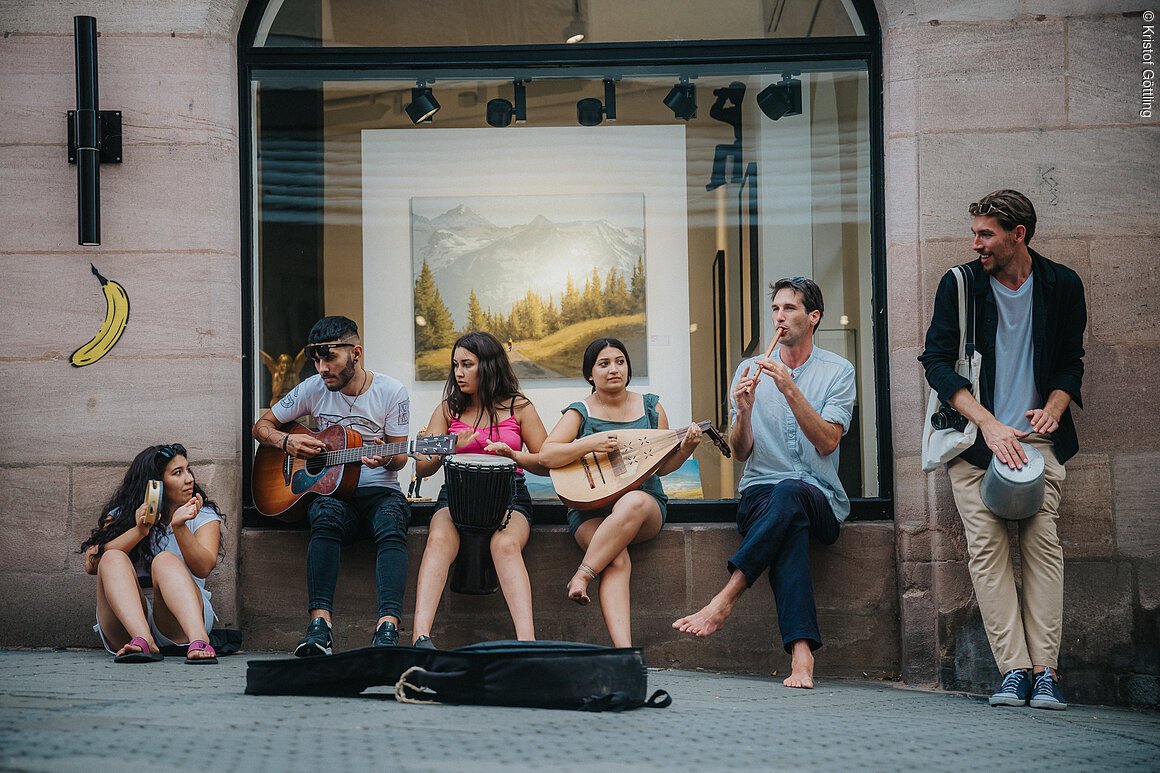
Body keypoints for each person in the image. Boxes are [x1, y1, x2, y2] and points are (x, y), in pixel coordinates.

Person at [919, 190, 1085, 711]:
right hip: (974, 442)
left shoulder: (1061, 285)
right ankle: (1013, 670)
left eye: (985, 234)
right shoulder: (960, 284)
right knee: (987, 553)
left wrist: (1055, 408)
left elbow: (1070, 364)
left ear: (1019, 235)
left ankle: (1047, 673)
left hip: (1038, 442)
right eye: (975, 233)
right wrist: (989, 425)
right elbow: (937, 363)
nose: (976, 244)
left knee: (1042, 548)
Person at [672, 278, 855, 689]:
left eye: (789, 309)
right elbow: (739, 452)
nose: (779, 317)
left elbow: (828, 442)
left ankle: (726, 599)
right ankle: (802, 656)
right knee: (788, 518)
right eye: (775, 309)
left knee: (792, 493)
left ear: (814, 317)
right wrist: (744, 411)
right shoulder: (748, 369)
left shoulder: (838, 372)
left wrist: (790, 390)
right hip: (761, 494)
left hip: (820, 496)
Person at [252, 315, 412, 656]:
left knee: (392, 521)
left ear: (355, 353)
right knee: (323, 513)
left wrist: (385, 457)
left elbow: (400, 457)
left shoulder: (392, 391)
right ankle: (319, 627)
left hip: (379, 493)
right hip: (332, 493)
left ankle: (387, 628)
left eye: (330, 358)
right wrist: (286, 443)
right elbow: (261, 426)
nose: (322, 368)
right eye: (316, 359)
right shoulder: (313, 388)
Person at [540, 338, 701, 647]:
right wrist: (591, 443)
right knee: (616, 559)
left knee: (633, 500)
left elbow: (662, 468)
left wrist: (685, 450)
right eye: (604, 364)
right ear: (590, 374)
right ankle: (624, 653)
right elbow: (548, 455)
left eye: (620, 362)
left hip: (644, 509)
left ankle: (583, 575)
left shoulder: (651, 407)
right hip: (590, 511)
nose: (613, 369)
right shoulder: (580, 411)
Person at [410, 331, 549, 647]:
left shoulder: (519, 407)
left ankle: (527, 644)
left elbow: (544, 463)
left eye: (467, 364)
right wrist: (448, 448)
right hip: (456, 494)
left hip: (509, 494)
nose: (458, 373)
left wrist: (514, 455)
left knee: (505, 545)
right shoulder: (449, 410)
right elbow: (423, 466)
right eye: (455, 365)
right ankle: (420, 639)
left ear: (488, 365)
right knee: (439, 539)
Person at [80, 443, 223, 664]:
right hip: (127, 622)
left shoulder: (202, 515)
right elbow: (91, 563)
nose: (189, 479)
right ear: (154, 484)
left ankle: (200, 639)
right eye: (178, 473)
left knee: (164, 560)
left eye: (188, 470)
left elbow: (204, 567)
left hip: (180, 619)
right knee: (112, 556)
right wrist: (139, 530)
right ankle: (144, 639)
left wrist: (180, 527)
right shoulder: (122, 514)